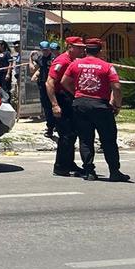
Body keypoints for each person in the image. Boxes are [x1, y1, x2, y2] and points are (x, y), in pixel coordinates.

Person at [61, 38, 129, 182]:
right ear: (100, 51)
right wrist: (117, 104)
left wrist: (76, 93)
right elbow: (116, 87)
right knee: (108, 139)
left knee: (85, 139)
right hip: (100, 105)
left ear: (86, 50)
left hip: (80, 104)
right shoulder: (107, 66)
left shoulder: (75, 64)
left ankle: (89, 171)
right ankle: (114, 171)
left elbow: (64, 82)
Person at [47, 36, 87, 177]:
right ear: (70, 47)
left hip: (68, 99)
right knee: (66, 134)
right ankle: (60, 167)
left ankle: (69, 163)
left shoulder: (73, 61)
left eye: (82, 47)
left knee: (72, 134)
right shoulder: (62, 61)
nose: (82, 49)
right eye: (78, 47)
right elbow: (49, 83)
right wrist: (55, 105)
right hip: (61, 99)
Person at [32, 41, 57, 138]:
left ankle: (55, 126)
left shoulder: (53, 58)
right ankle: (50, 127)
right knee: (46, 107)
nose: (45, 52)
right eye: (43, 50)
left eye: (47, 50)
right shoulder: (40, 58)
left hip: (52, 84)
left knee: (54, 105)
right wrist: (31, 59)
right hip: (42, 84)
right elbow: (34, 69)